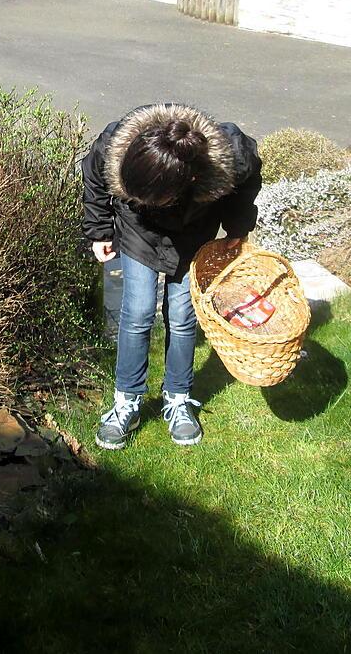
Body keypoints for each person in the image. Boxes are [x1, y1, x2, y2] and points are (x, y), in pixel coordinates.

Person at [81, 104, 262, 449]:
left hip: (193, 233)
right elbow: (93, 180)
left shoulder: (232, 154)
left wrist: (237, 227)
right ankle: (127, 402)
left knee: (182, 317)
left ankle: (177, 398)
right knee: (137, 313)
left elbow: (247, 182)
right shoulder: (114, 143)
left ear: (188, 181)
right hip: (138, 231)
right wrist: (100, 231)